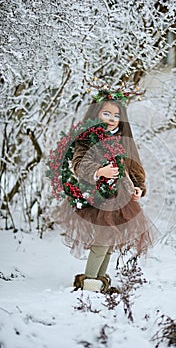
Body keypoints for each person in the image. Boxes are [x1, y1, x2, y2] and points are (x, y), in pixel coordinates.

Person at [53, 87, 160, 293]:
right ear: (96, 114)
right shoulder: (88, 137)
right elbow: (79, 163)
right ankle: (90, 282)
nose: (111, 118)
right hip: (99, 197)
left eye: (116, 115)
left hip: (121, 199)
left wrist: (139, 187)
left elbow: (133, 166)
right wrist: (99, 170)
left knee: (110, 241)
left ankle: (99, 279)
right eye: (106, 113)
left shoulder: (123, 139)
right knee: (102, 238)